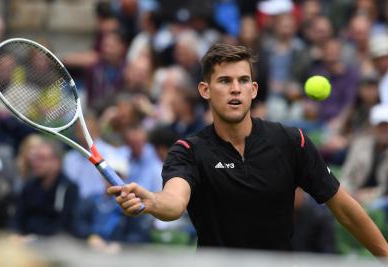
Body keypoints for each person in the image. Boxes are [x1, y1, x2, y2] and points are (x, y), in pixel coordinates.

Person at [108, 43, 388, 255]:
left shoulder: (291, 142)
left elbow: (345, 209)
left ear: (254, 90)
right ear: (205, 90)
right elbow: (174, 202)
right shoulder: (188, 151)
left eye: (243, 81)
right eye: (224, 81)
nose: (235, 89)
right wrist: (151, 202)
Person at [12, 139, 79, 236]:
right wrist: (16, 234)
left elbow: (66, 225)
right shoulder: (29, 186)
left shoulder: (68, 188)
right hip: (25, 242)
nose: (36, 164)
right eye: (35, 159)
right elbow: (17, 218)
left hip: (55, 243)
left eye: (42, 159)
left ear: (56, 162)